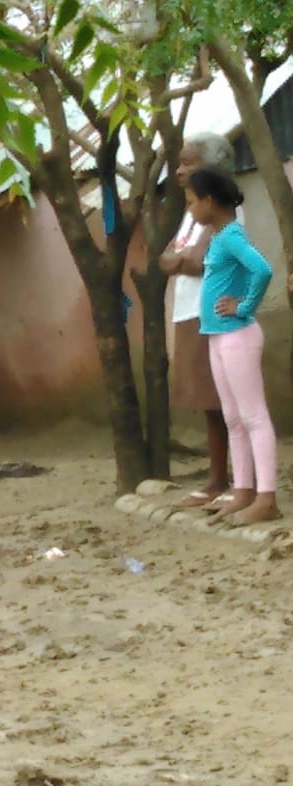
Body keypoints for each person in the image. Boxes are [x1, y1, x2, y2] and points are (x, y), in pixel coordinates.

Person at [186, 167, 277, 526]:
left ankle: (266, 497)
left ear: (209, 201)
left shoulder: (230, 236)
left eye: (192, 202)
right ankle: (243, 491)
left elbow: (263, 269)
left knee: (253, 416)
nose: (190, 209)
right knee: (234, 418)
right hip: (219, 336)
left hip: (237, 334)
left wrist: (244, 306)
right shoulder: (220, 236)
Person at [159, 134, 240, 510]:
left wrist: (182, 259)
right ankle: (217, 480)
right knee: (209, 402)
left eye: (188, 163)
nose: (178, 171)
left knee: (226, 402)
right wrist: (182, 258)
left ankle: (234, 482)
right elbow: (166, 260)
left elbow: (195, 262)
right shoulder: (192, 213)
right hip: (189, 311)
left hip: (212, 313)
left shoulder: (224, 210)